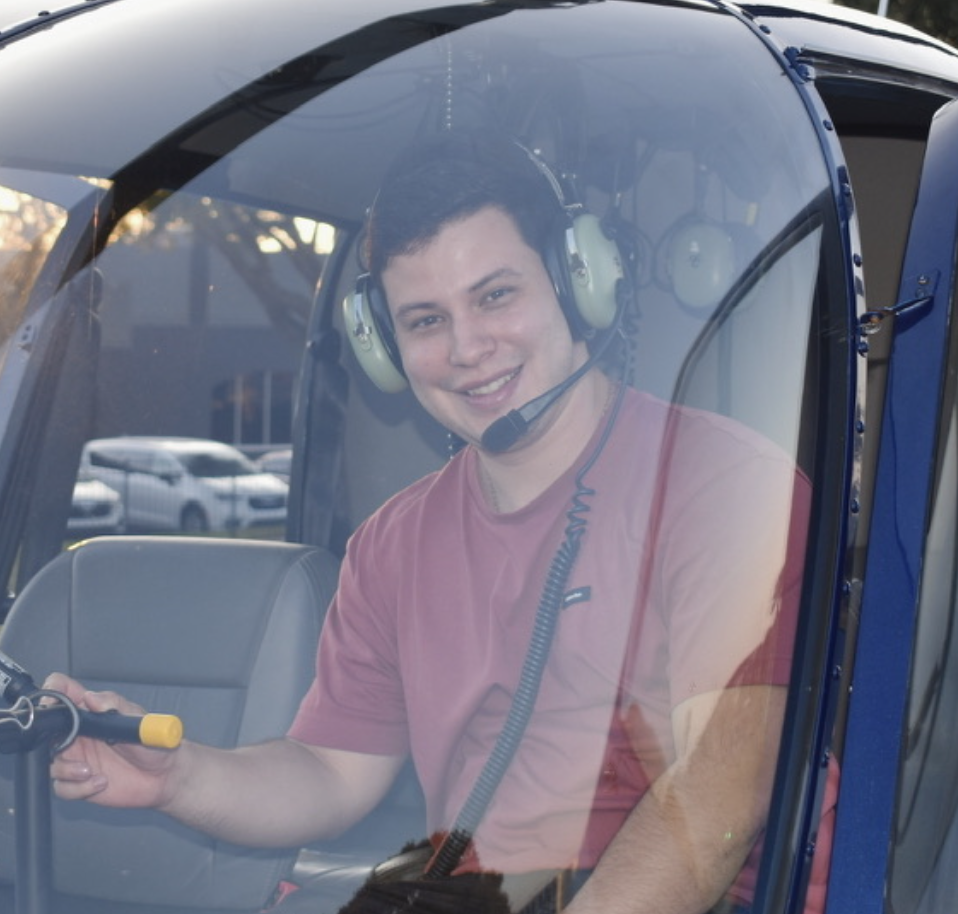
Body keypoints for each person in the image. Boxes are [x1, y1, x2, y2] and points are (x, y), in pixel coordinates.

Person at [47, 132, 828, 914]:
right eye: (424, 320)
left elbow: (720, 794)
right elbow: (328, 770)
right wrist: (177, 775)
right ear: (385, 348)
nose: (467, 348)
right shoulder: (393, 546)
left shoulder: (725, 490)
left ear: (577, 281)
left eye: (496, 295)